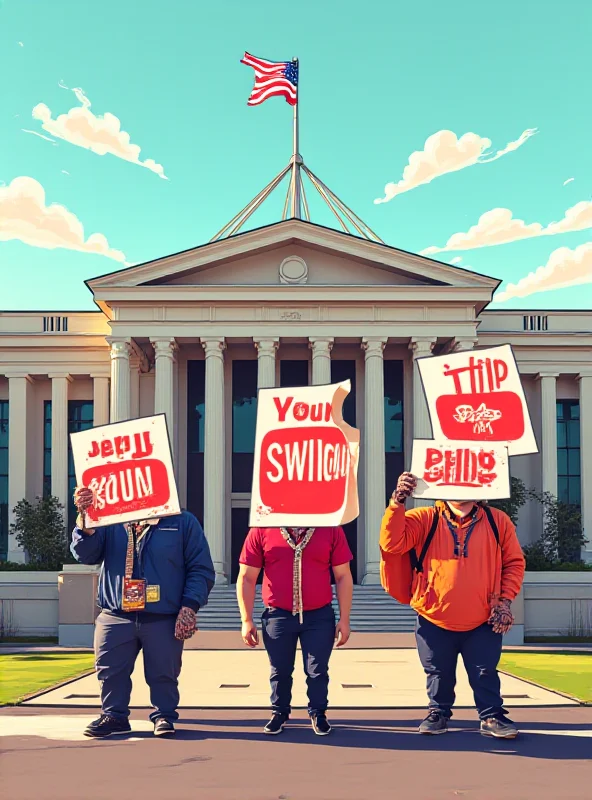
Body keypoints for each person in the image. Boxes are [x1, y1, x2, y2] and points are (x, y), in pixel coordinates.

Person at [380, 473, 525, 739]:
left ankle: (491, 716)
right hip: (433, 616)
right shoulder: (424, 518)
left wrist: (505, 600)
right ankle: (438, 713)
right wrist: (397, 502)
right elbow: (392, 543)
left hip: (483, 617)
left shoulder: (497, 521)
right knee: (437, 671)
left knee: (484, 672)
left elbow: (514, 562)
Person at [71, 486, 215, 738]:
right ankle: (113, 716)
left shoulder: (182, 522)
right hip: (116, 614)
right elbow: (86, 555)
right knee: (109, 669)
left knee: (164, 672)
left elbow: (200, 568)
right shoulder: (109, 519)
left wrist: (190, 606)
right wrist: (86, 522)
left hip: (162, 616)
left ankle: (164, 716)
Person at [237, 524, 353, 736]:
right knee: (279, 669)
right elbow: (247, 576)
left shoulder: (330, 528)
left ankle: (318, 712)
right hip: (278, 614)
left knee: (317, 670)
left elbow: (343, 575)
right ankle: (279, 711)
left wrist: (344, 619)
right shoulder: (262, 528)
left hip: (318, 615)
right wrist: (246, 619)